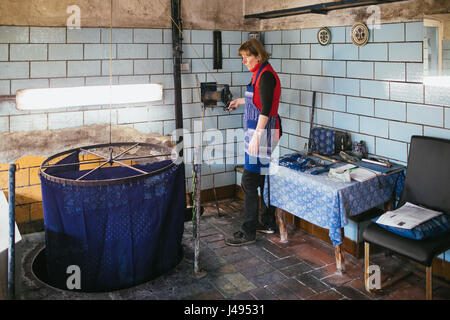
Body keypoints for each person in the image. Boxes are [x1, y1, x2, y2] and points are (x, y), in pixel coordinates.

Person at [224, 38, 282, 247]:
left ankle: (249, 231)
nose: (244, 61)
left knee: (249, 181)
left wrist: (257, 137)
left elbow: (266, 109)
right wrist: (239, 101)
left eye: (247, 57)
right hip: (259, 132)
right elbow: (256, 99)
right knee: (262, 179)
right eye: (242, 57)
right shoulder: (260, 73)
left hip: (263, 133)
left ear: (258, 55)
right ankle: (267, 222)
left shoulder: (266, 76)